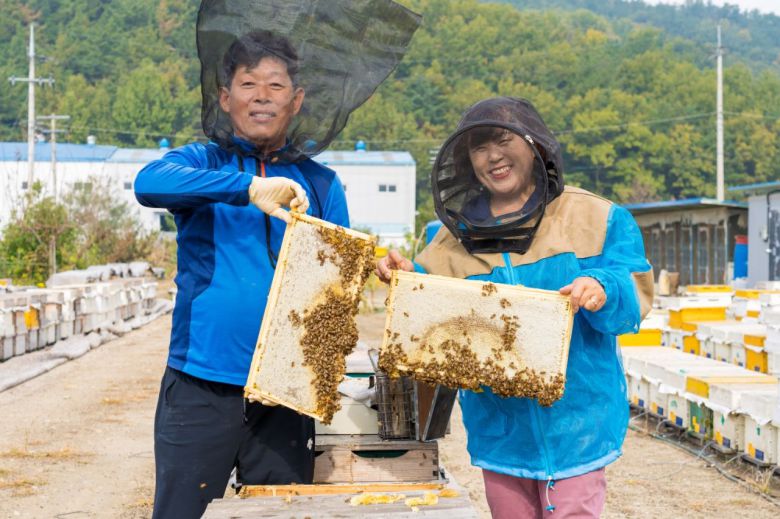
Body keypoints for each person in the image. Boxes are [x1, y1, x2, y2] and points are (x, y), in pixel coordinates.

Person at [376, 97, 653, 518]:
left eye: (503, 140)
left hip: (578, 425)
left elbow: (633, 285)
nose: (493, 156)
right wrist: (405, 276)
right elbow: (431, 311)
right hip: (500, 428)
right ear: (467, 161)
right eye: (480, 147)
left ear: (534, 144)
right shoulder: (452, 239)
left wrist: (602, 286)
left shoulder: (594, 216)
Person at [134, 31, 350, 518]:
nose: (261, 96)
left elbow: (336, 282)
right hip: (201, 380)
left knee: (281, 512)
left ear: (296, 100)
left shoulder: (321, 182)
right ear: (225, 98)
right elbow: (148, 183)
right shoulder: (201, 163)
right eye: (248, 84)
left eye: (276, 85)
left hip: (285, 390)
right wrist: (247, 187)